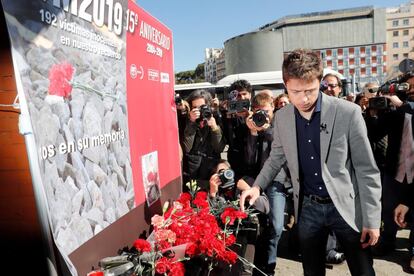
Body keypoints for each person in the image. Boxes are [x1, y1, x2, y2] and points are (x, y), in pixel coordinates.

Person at [240, 48, 381, 276]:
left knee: (363, 270)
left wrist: (372, 219)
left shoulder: (348, 113)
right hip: (308, 208)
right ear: (285, 84)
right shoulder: (283, 117)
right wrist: (256, 186)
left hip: (346, 208)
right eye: (296, 91)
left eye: (311, 91)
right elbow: (276, 156)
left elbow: (367, 170)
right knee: (312, 272)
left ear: (320, 83)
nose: (304, 99)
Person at [366, 76, 414, 269]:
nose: (410, 88)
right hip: (395, 170)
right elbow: (375, 133)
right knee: (388, 209)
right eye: (407, 85)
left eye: (412, 84)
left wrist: (401, 105)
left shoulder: (404, 106)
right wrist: (373, 113)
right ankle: (386, 242)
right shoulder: (396, 108)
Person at [182, 90, 226, 185]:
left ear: (209, 106)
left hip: (211, 169)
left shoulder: (216, 118)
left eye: (202, 107)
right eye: (195, 108)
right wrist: (191, 122)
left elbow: (219, 148)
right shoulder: (187, 120)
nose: (199, 111)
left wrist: (215, 128)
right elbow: (187, 148)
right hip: (192, 171)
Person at [222, 80, 252, 181]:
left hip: (255, 158)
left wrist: (249, 117)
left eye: (244, 94)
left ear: (250, 95)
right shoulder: (229, 113)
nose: (242, 97)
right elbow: (226, 137)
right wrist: (226, 116)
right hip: (236, 159)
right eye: (238, 95)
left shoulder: (257, 110)